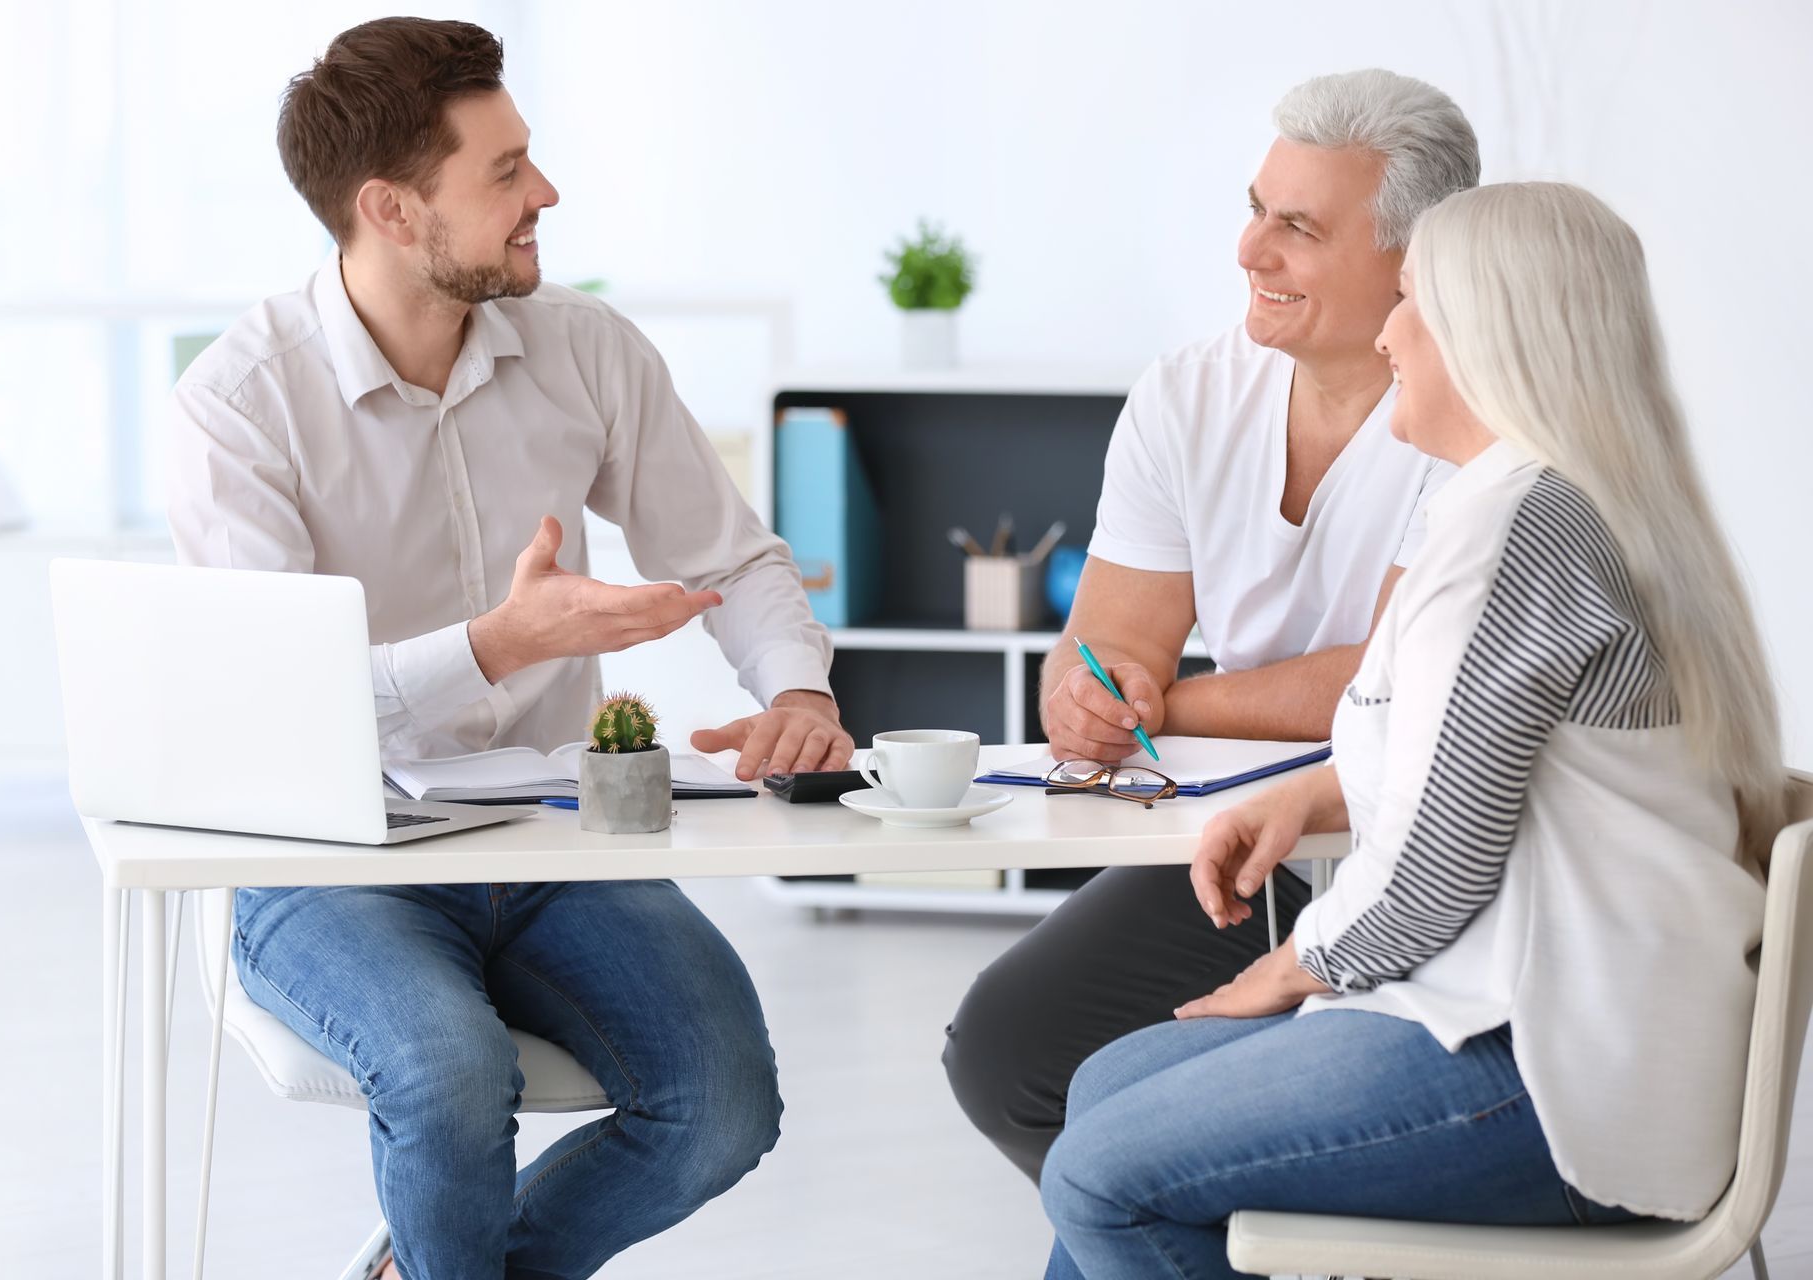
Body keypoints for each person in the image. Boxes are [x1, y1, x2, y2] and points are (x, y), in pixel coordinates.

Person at [168, 19, 853, 1278]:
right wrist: (491, 646)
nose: (546, 192)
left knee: (721, 1102)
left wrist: (797, 689)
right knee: (448, 1071)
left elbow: (734, 555)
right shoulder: (240, 402)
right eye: (504, 172)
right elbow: (274, 713)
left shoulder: (585, 348)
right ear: (390, 208)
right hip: (331, 859)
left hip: (553, 840)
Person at [1037, 180, 1788, 1279]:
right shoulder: (1533, 503)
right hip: (1526, 1021)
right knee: (1109, 1091)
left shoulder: (1526, 528)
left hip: (1546, 1073)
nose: (1386, 331)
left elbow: (1446, 862)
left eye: (1411, 303)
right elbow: (1479, 763)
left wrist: (1299, 963)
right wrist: (1315, 794)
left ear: (1489, 331)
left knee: (1099, 1173)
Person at [944, 69, 1479, 1182]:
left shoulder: (1470, 409)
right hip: (1244, 838)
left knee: (1163, 1116)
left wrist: (1166, 703)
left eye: (1297, 227)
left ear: (1414, 261)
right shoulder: (1187, 395)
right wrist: (1089, 697)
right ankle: (1198, 1224)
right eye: (1254, 207)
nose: (1249, 250)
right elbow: (1104, 650)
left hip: (1418, 847)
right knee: (1010, 1052)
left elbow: (1383, 687)